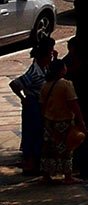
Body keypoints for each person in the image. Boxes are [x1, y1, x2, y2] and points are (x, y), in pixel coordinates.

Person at [10, 36, 54, 176]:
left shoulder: (45, 67)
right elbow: (15, 84)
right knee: (32, 133)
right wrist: (23, 98)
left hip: (41, 105)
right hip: (32, 105)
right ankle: (30, 163)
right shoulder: (34, 72)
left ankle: (35, 161)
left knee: (39, 132)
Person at [36, 58, 79, 184]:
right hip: (64, 122)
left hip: (49, 122)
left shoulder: (45, 85)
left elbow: (42, 105)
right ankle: (68, 176)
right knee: (66, 149)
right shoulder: (66, 84)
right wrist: (80, 121)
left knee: (48, 150)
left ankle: (46, 175)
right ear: (61, 70)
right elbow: (73, 104)